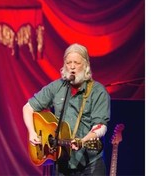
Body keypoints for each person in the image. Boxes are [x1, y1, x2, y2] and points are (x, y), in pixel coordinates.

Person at [23, 43, 111, 175]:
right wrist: (33, 133)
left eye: (76, 62)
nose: (72, 67)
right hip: (62, 162)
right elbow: (28, 108)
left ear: (86, 65)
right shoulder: (57, 87)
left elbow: (100, 126)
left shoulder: (98, 91)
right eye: (69, 63)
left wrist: (83, 141)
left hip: (90, 165)